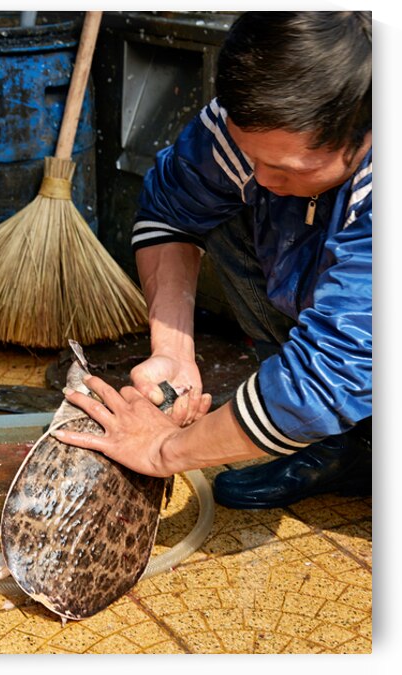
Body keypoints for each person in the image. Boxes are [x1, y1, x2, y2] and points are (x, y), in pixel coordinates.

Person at [51, 11, 372, 509]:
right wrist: (173, 352)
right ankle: (336, 446)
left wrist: (164, 450)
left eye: (284, 166)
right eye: (253, 158)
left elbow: (334, 368)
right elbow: (170, 211)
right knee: (218, 207)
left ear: (362, 131)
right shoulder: (243, 126)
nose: (262, 177)